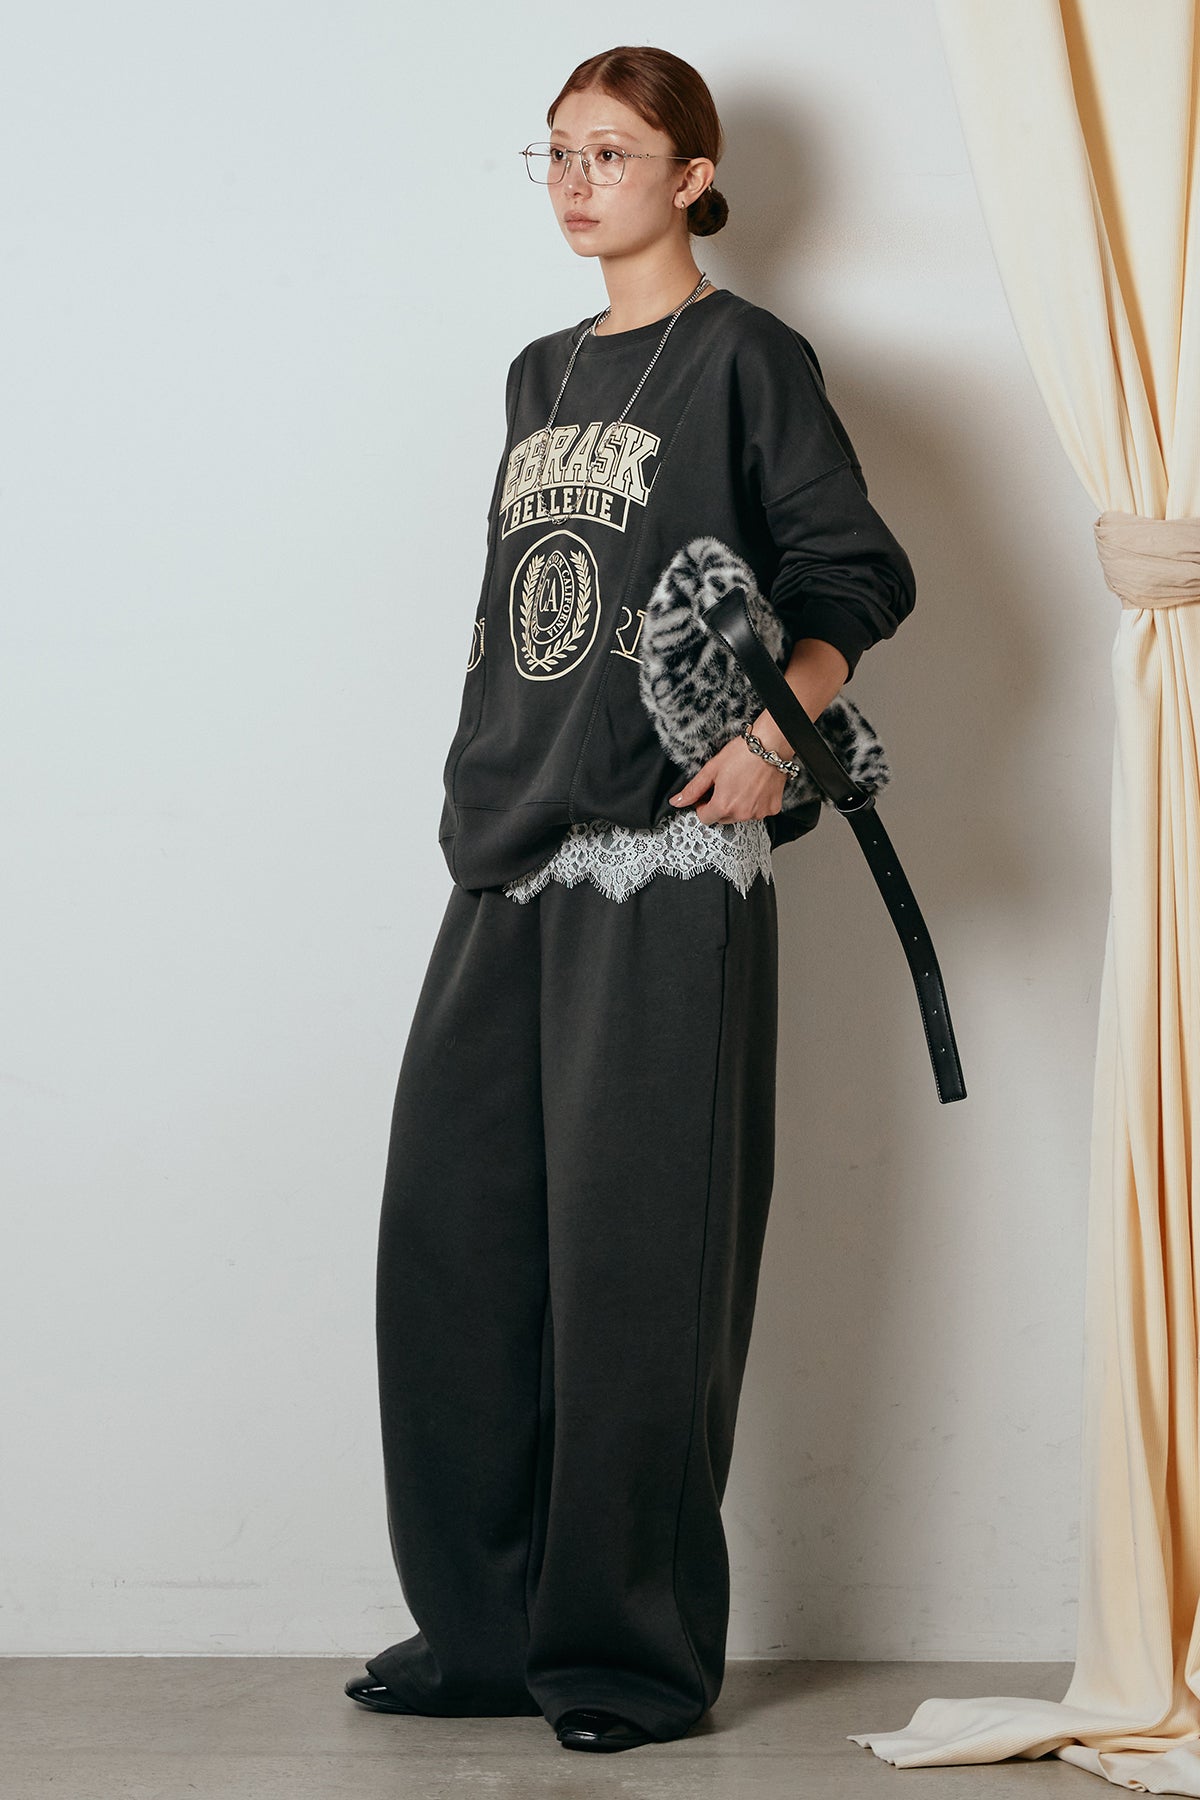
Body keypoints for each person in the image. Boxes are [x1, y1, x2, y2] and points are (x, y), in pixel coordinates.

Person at [345, 44, 916, 1756]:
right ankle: (485, 1631)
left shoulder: (748, 356)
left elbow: (854, 569)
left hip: (664, 858)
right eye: (560, 152)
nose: (579, 180)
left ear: (693, 175)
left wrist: (774, 735)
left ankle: (625, 1656)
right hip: (510, 847)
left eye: (614, 151)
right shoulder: (539, 373)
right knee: (453, 1249)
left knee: (638, 1264)